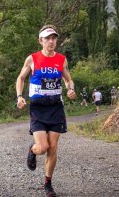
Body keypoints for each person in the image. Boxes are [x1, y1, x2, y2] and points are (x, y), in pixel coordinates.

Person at [16, 25, 76, 197]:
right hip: (38, 108)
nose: (51, 41)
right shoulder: (32, 59)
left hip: (56, 107)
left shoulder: (61, 59)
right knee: (42, 147)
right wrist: (19, 96)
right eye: (47, 38)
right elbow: (20, 78)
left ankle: (48, 183)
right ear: (40, 40)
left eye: (54, 38)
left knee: (53, 147)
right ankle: (32, 150)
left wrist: (70, 89)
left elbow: (68, 80)